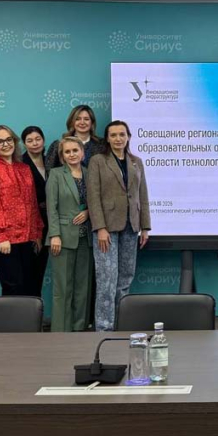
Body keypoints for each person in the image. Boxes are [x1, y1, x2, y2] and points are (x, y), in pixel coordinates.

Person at [87, 120, 151, 331]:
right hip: (106, 228)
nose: (118, 138)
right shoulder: (98, 161)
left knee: (125, 278)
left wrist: (145, 227)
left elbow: (142, 195)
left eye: (122, 134)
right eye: (113, 135)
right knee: (107, 279)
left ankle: (120, 324)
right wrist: (100, 228)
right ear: (107, 139)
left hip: (131, 226)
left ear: (128, 137)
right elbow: (93, 196)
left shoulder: (136, 162)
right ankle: (104, 328)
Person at [0, 125, 44, 296]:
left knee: (30, 285)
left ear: (15, 142)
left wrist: (37, 233)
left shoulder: (24, 168)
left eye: (9, 139)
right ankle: (10, 316)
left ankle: (27, 316)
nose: (5, 144)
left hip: (27, 237)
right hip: (4, 239)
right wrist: (2, 236)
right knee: (13, 286)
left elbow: (32, 203)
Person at [46, 137, 93, 332]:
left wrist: (88, 212)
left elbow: (97, 201)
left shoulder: (90, 173)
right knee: (63, 288)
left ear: (82, 153)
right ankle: (61, 331)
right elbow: (51, 207)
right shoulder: (56, 174)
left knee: (83, 287)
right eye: (67, 151)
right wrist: (55, 235)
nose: (72, 154)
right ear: (62, 156)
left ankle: (79, 328)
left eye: (75, 150)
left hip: (86, 238)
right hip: (62, 238)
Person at [21, 126, 49, 297]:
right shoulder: (21, 164)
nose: (35, 143)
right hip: (29, 225)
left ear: (43, 140)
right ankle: (26, 310)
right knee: (28, 272)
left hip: (49, 223)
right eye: (30, 140)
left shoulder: (50, 161)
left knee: (40, 270)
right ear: (24, 144)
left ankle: (36, 309)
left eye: (38, 139)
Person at [44, 105, 106, 170]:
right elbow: (49, 170)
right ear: (72, 122)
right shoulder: (59, 145)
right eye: (77, 119)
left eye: (86, 119)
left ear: (92, 122)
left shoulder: (102, 144)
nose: (82, 122)